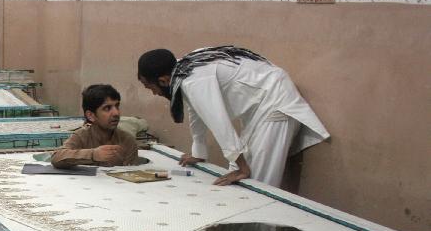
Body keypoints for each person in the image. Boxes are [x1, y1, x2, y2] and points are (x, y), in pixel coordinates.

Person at [137, 46, 330, 187]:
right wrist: (199, 152)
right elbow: (196, 111)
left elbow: (218, 121)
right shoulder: (184, 69)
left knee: (257, 182)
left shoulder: (193, 79)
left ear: (163, 80)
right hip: (263, 104)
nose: (153, 93)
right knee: (240, 170)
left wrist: (242, 168)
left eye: (150, 87)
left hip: (275, 104)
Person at [51, 84, 139, 168]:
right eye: (107, 108)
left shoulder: (127, 141)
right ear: (91, 116)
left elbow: (132, 175)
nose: (116, 113)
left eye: (117, 106)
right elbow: (57, 157)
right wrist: (93, 155)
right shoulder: (82, 136)